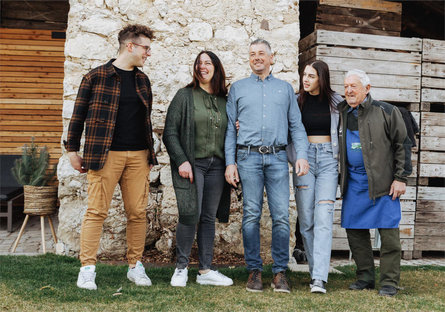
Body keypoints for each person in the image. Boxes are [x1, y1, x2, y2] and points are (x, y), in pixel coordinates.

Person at [64, 24, 157, 290]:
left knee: (138, 212)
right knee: (96, 212)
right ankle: (87, 268)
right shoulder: (95, 77)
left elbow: (145, 121)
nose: (148, 53)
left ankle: (135, 266)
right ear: (130, 46)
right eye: (145, 48)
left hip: (138, 156)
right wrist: (72, 150)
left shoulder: (143, 80)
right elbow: (78, 116)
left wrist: (149, 154)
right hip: (104, 155)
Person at [225, 39, 309, 293]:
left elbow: (296, 126)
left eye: (262, 53)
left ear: (272, 58)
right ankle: (254, 271)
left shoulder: (285, 90)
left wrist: (301, 155)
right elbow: (230, 128)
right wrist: (230, 162)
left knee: (281, 216)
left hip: (277, 158)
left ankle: (280, 272)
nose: (257, 57)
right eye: (252, 54)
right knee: (251, 214)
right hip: (247, 158)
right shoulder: (238, 89)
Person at [339, 69, 412, 297]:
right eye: (346, 86)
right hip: (354, 183)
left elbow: (403, 144)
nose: (349, 90)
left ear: (367, 89)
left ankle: (389, 282)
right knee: (355, 231)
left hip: (383, 182)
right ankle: (365, 278)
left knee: (389, 235)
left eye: (354, 86)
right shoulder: (341, 112)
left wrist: (401, 178)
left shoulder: (387, 111)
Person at [163, 51, 233, 287]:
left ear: (216, 68)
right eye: (199, 63)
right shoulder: (185, 95)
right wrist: (182, 160)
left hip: (217, 166)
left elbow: (232, 130)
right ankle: (181, 268)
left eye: (207, 63)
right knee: (189, 213)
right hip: (193, 165)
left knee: (207, 217)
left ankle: (205, 270)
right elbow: (170, 132)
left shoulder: (225, 100)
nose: (202, 66)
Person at [287, 60, 343, 294]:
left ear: (322, 78)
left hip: (329, 160)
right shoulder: (296, 102)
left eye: (311, 76)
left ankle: (319, 277)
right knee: (307, 219)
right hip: (304, 160)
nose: (306, 79)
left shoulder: (337, 102)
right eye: (304, 75)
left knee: (323, 216)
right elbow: (284, 129)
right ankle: (314, 273)